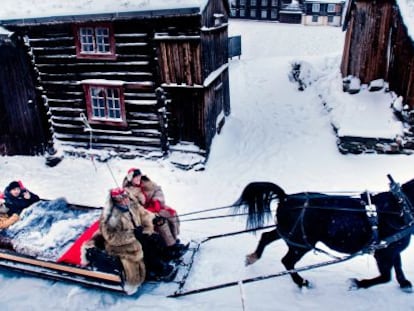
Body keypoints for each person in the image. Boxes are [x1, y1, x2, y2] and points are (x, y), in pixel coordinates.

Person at [83, 188, 175, 295]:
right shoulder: (109, 217)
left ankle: (160, 260)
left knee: (154, 238)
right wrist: (132, 235)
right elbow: (112, 237)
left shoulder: (132, 205)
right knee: (142, 247)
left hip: (137, 234)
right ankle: (155, 270)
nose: (125, 200)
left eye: (125, 197)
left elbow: (144, 214)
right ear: (114, 200)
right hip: (119, 244)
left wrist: (154, 218)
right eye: (120, 199)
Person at [123, 168, 188, 260]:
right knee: (161, 222)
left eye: (139, 177)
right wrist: (150, 212)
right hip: (142, 213)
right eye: (135, 178)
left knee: (171, 213)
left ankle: (173, 240)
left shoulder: (146, 182)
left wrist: (156, 201)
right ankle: (170, 248)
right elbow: (135, 207)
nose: (138, 179)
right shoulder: (128, 191)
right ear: (130, 179)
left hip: (153, 207)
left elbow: (157, 190)